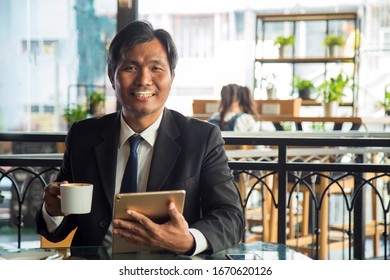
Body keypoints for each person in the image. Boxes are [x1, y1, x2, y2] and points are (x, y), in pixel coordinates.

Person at [36, 20, 244, 256]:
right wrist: (52, 210)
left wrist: (189, 240)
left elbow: (231, 217)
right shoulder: (83, 136)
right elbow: (55, 229)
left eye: (156, 68)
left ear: (172, 77)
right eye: (130, 68)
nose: (144, 80)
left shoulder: (202, 138)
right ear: (111, 75)